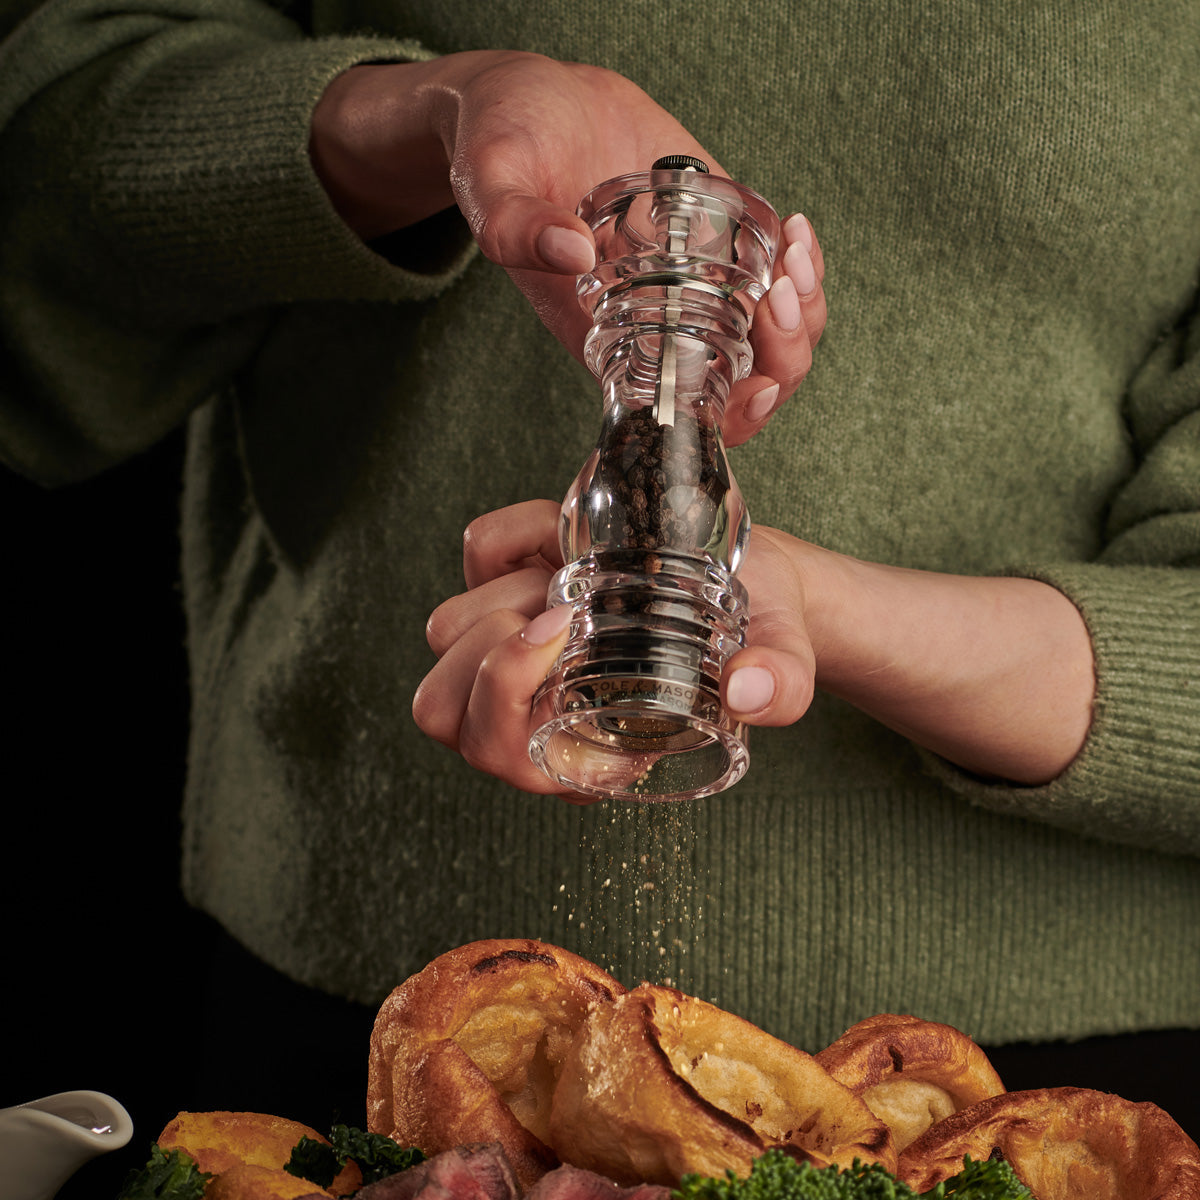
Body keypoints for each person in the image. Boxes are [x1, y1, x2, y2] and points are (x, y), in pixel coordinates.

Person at [2, 0, 1198, 1133]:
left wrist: (811, 608)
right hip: (400, 1011)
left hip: (1044, 1087)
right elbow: (49, 139)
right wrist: (423, 118)